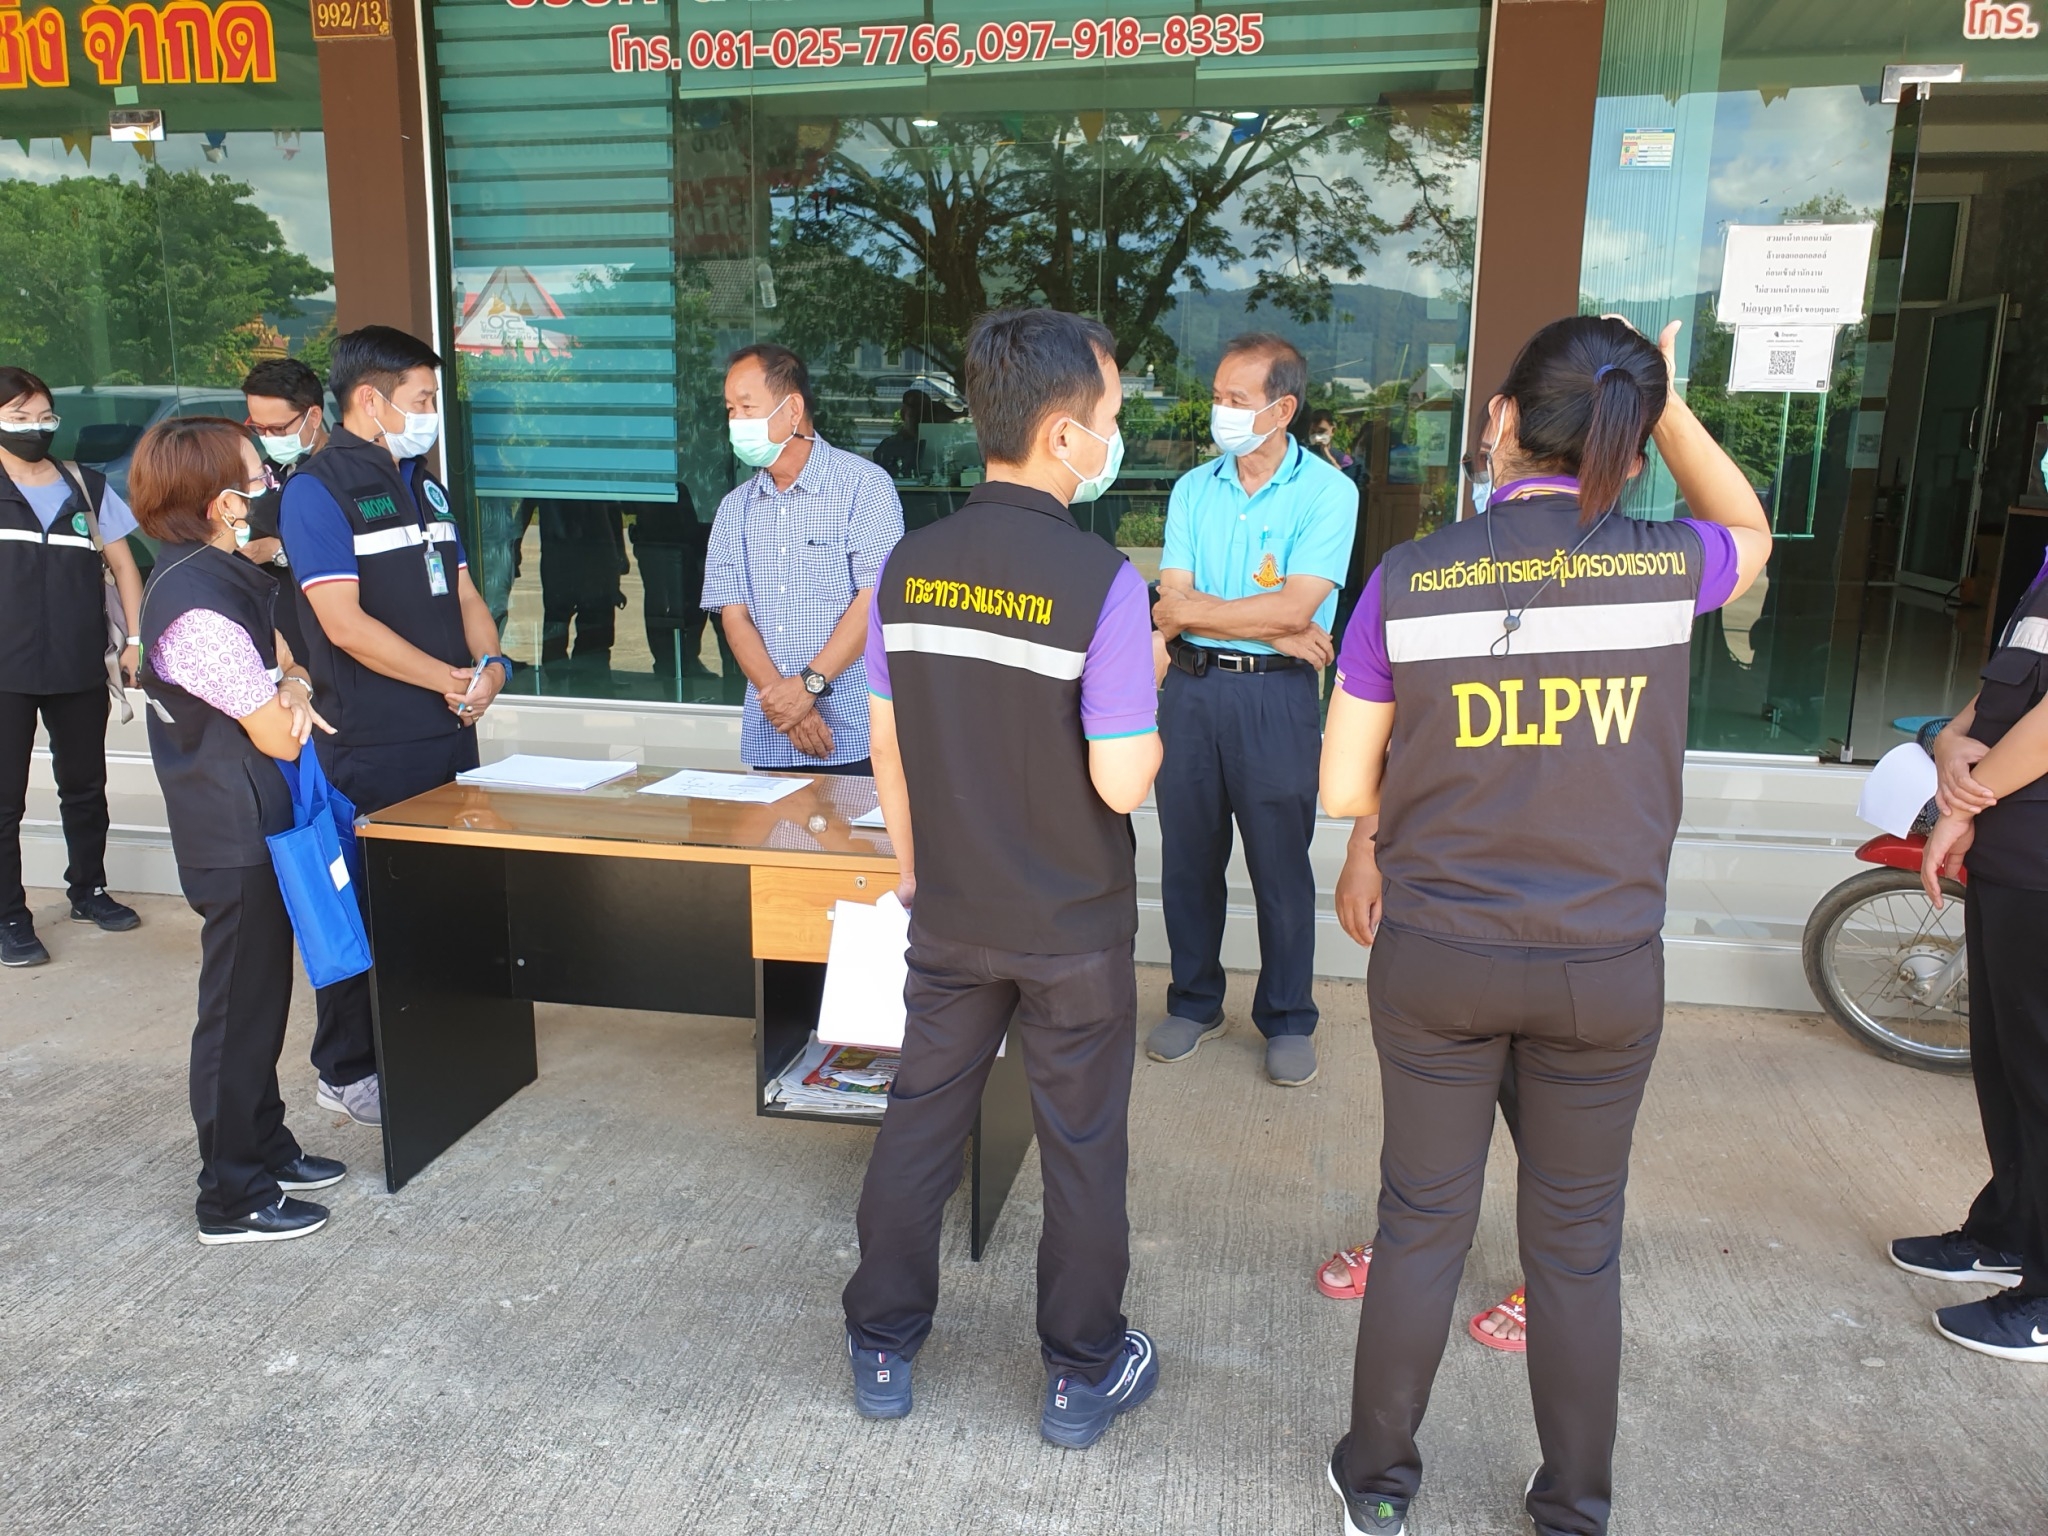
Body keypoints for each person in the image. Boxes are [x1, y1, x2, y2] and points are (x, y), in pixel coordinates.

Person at [1316, 315, 1770, 1536]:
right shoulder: (1666, 565)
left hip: (1437, 958)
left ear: (1503, 420)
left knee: (1421, 1225)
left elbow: (1344, 788)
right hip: (1602, 970)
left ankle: (1376, 1487)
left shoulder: (1409, 577)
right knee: (1574, 1249)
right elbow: (1750, 530)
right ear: (1624, 434)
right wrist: (1664, 403)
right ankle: (1571, 1509)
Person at [841, 307, 1164, 1449]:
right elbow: (1121, 780)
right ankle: (1081, 1373)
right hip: (1071, 927)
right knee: (1080, 1147)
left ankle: (881, 1345)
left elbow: (887, 747)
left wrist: (917, 873)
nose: (1116, 436)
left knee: (919, 1121)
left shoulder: (907, 566)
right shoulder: (1102, 583)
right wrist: (1147, 684)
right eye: (1111, 417)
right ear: (1064, 435)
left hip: (953, 910)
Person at [279, 326, 513, 1129]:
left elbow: (464, 591)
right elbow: (342, 625)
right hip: (372, 747)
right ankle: (347, 1068)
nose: (430, 413)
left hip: (449, 736)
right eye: (422, 399)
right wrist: (447, 679)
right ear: (370, 400)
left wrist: (491, 666)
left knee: (439, 903)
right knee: (365, 910)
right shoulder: (317, 491)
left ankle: (425, 1046)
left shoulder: (425, 483)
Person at [130, 416, 346, 1243]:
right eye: (258, 475)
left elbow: (288, 661)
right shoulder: (194, 607)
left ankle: (266, 1146)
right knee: (236, 1015)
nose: (270, 486)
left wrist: (291, 684)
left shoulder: (221, 575)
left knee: (260, 1003)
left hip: (258, 823)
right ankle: (231, 1195)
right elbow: (281, 732)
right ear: (223, 504)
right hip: (233, 832)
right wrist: (291, 692)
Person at [1146, 334, 1357, 1087]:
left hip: (1276, 700)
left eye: (1236, 400)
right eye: (1217, 397)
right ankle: (1194, 1001)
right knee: (1187, 861)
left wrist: (1247, 616)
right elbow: (1167, 606)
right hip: (1192, 692)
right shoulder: (1193, 489)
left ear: (1282, 408)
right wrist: (1272, 623)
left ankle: (1288, 1016)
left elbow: (1298, 605)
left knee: (1279, 866)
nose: (1220, 412)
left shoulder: (1328, 493)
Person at [1897, 516, 2048, 1362]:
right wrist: (1952, 747)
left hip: (2039, 863)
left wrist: (1961, 802)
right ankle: (2009, 1231)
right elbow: (1985, 708)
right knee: (2007, 1066)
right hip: (2013, 862)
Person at [0, 365, 145, 968]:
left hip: (78, 664)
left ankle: (89, 889)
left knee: (85, 787)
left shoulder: (85, 485)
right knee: (4, 802)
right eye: (19, 417)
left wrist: (134, 639)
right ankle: (10, 916)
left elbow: (126, 567)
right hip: (5, 674)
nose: (35, 428)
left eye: (44, 417)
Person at [702, 344, 902, 775]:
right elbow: (734, 615)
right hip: (774, 732)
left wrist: (808, 686)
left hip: (856, 733)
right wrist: (784, 700)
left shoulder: (863, 487)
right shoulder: (735, 508)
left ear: (792, 410)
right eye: (731, 410)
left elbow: (876, 598)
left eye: (747, 407)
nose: (736, 421)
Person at [241, 356, 330, 667]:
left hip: (327, 636)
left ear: (313, 416)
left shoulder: (346, 471)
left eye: (278, 429)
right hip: (274, 635)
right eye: (259, 428)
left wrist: (278, 550)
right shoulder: (263, 471)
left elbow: (360, 544)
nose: (268, 438)